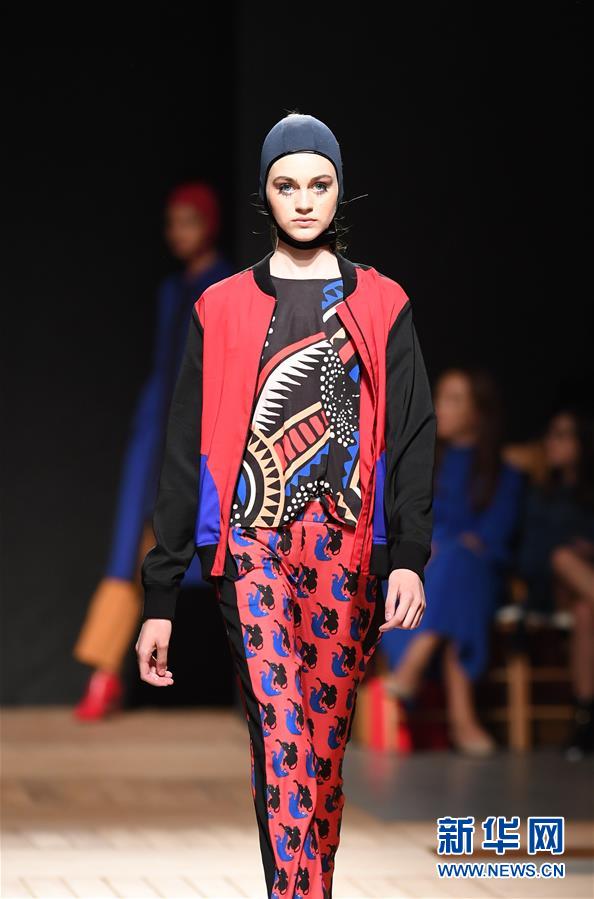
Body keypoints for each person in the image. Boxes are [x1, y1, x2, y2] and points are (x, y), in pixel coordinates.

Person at [135, 112, 437, 899]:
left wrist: (408, 555)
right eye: (286, 185)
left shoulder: (383, 302)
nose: (303, 200)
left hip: (348, 547)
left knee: (322, 757)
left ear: (339, 191)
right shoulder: (221, 305)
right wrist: (161, 594)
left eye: (318, 184)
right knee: (283, 736)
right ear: (265, 196)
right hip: (252, 545)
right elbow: (186, 451)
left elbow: (410, 436)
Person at [73, 182, 234, 720]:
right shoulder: (171, 289)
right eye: (172, 223)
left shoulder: (227, 285)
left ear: (208, 225)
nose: (177, 233)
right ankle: (103, 677)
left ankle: (266, 681)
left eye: (188, 222)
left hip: (209, 431)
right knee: (131, 551)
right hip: (158, 428)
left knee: (229, 550)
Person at [380, 367, 525, 755]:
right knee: (451, 570)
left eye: (454, 399)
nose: (440, 407)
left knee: (461, 564)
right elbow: (404, 525)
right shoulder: (421, 466)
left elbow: (494, 536)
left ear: (478, 412)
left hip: (476, 576)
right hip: (426, 577)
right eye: (440, 397)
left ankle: (416, 661)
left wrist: (444, 547)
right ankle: (463, 720)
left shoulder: (504, 474)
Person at [514, 407, 594, 759]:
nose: (551, 443)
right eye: (550, 435)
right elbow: (530, 556)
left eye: (562, 435)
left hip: (583, 591)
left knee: (586, 611)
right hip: (549, 586)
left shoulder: (587, 494)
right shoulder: (539, 494)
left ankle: (585, 719)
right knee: (563, 558)